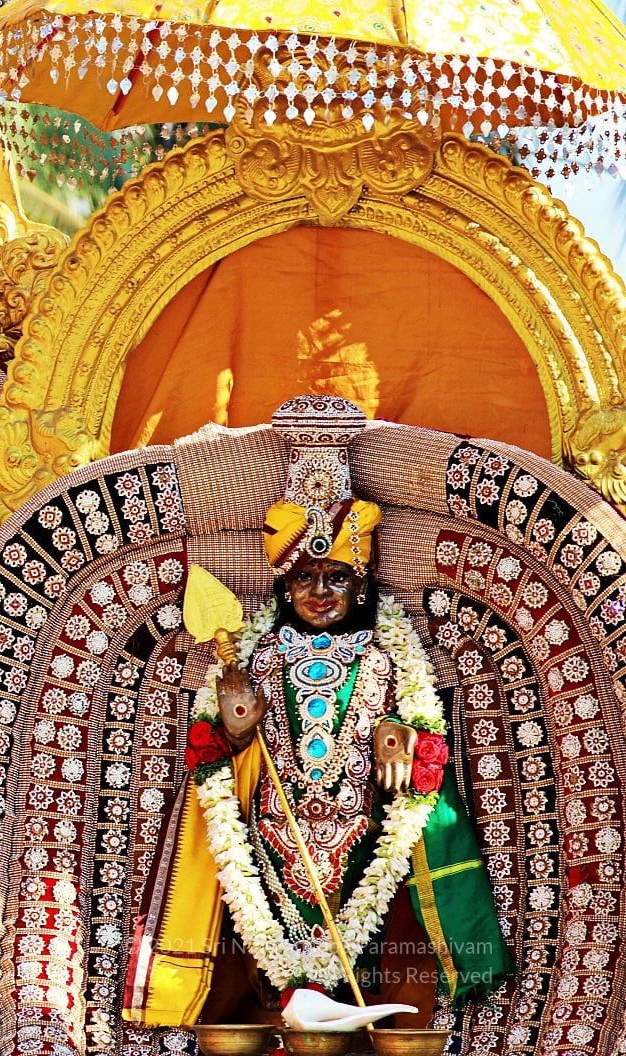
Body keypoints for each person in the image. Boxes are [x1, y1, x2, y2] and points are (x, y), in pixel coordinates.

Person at [124, 396, 509, 1029]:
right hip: (271, 837)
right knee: (252, 952)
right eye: (304, 578)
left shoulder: (389, 654)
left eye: (336, 577)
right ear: (283, 586)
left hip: (366, 836)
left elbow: (424, 742)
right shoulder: (255, 655)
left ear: (362, 585)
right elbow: (212, 760)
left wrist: (402, 737)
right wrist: (233, 731)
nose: (320, 592)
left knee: (384, 943)